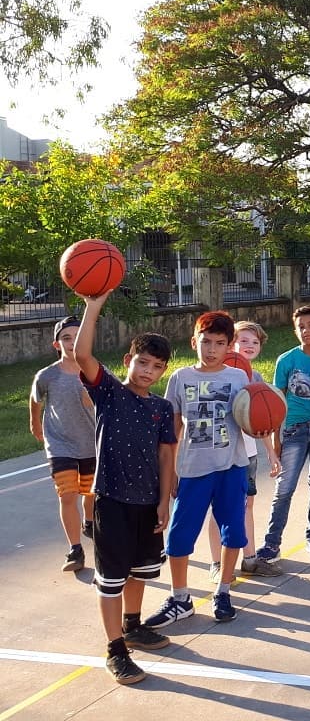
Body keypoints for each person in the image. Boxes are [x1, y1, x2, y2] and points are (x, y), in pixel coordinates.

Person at [73, 292, 175, 686]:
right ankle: (116, 649)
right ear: (127, 362)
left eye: (156, 366)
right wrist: (93, 306)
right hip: (113, 500)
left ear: (164, 372)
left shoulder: (162, 409)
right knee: (112, 577)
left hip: (149, 503)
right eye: (142, 362)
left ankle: (133, 626)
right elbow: (82, 355)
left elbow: (167, 458)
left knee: (141, 572)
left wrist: (164, 501)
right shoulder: (109, 392)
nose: (148, 370)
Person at [145, 310, 251, 628]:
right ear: (194, 342)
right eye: (206, 342)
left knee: (234, 534)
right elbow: (171, 430)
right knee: (178, 537)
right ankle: (180, 598)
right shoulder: (180, 378)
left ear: (230, 345)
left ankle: (223, 591)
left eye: (220, 343)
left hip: (231, 467)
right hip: (192, 469)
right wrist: (171, 470)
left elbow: (252, 420)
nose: (212, 349)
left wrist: (263, 425)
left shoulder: (238, 378)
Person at [256, 305, 310, 564]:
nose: (306, 331)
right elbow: (276, 403)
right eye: (300, 326)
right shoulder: (286, 360)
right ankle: (272, 543)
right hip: (293, 429)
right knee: (285, 488)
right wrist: (276, 440)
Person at [205, 321, 281, 581]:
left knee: (247, 506)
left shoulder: (256, 378)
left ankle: (249, 559)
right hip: (220, 453)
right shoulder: (215, 374)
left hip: (247, 454)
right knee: (219, 509)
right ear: (230, 344)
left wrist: (270, 452)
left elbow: (264, 421)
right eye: (243, 340)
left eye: (255, 342)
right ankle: (216, 563)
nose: (249, 346)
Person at [29, 315, 96, 573]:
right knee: (68, 495)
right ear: (57, 344)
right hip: (60, 444)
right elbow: (35, 399)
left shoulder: (94, 371)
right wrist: (35, 423)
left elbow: (114, 398)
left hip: (91, 444)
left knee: (90, 495)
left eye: (77, 337)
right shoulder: (47, 375)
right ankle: (75, 550)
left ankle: (89, 521)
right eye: (66, 338)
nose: (72, 342)